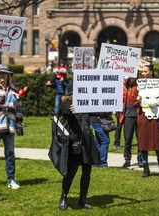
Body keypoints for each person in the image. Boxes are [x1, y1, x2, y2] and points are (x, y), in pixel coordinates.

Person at [58, 80, 100, 211]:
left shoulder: (87, 102)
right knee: (71, 172)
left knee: (87, 172)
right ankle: (63, 197)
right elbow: (65, 111)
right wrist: (71, 109)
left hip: (87, 141)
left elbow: (98, 110)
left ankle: (83, 199)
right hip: (74, 142)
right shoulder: (66, 102)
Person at [136, 64, 159, 177]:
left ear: (151, 72)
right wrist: (137, 100)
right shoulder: (138, 84)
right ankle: (145, 168)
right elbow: (133, 102)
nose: (143, 74)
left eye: (145, 71)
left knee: (158, 141)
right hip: (143, 118)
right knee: (144, 142)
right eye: (142, 72)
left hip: (156, 117)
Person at [120, 77, 142, 168]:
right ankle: (127, 159)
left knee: (140, 138)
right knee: (128, 138)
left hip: (139, 114)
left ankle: (141, 159)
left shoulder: (140, 85)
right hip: (128, 116)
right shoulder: (124, 85)